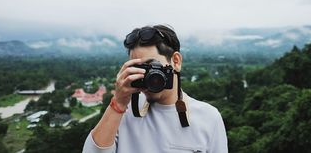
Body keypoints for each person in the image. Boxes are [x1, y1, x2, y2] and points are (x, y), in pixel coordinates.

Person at [82, 25, 228, 153]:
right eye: (138, 69)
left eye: (152, 67)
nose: (147, 76)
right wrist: (118, 104)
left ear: (176, 62)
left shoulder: (208, 118)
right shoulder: (124, 112)